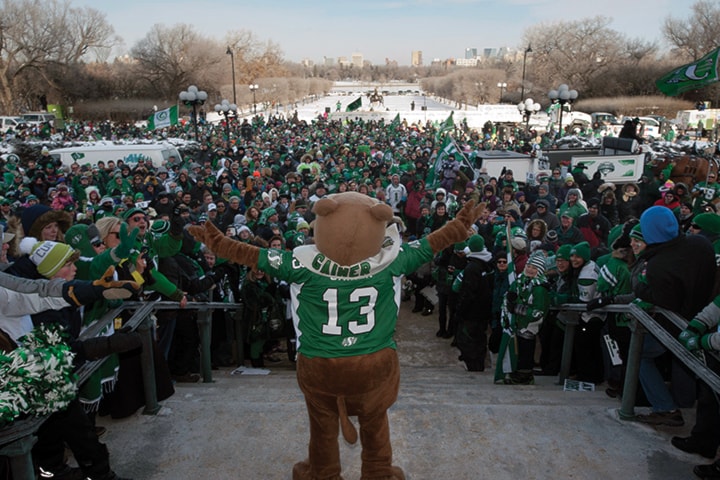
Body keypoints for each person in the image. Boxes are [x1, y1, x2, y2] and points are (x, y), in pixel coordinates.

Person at [496, 252, 550, 384]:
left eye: (534, 268)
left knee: (526, 351)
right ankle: (514, 372)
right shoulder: (519, 282)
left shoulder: (539, 289)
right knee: (517, 351)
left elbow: (538, 311)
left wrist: (517, 309)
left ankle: (524, 376)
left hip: (529, 326)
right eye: (529, 266)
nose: (530, 270)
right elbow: (508, 296)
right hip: (516, 324)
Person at [454, 234, 493, 371]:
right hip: (483, 311)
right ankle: (479, 364)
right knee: (480, 339)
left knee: (468, 339)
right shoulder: (487, 264)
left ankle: (473, 366)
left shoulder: (472, 268)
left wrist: (459, 311)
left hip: (471, 313)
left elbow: (467, 292)